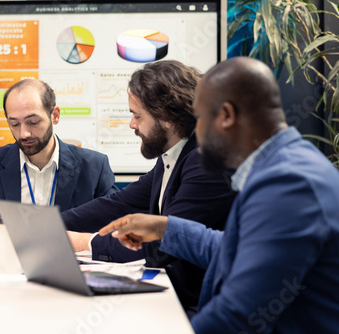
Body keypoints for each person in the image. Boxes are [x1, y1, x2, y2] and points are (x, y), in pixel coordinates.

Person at [99, 57, 339, 333]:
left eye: (199, 118)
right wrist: (165, 228)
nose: (196, 131)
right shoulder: (284, 166)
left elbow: (238, 314)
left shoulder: (288, 185)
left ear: (226, 115)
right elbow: (235, 249)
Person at [63, 60, 236, 311]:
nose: (132, 124)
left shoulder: (205, 162)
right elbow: (120, 204)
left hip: (200, 307)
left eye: (137, 115)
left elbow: (165, 243)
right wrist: (54, 226)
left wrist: (81, 242)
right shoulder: (176, 154)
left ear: (167, 117)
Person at [0, 79, 118, 242]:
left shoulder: (94, 167)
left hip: (69, 267)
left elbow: (117, 224)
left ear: (54, 115)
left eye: (33, 122)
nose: (24, 133)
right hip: (0, 269)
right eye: (15, 124)